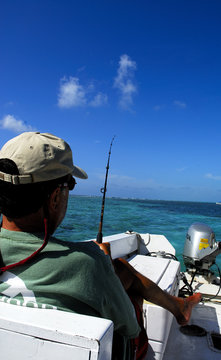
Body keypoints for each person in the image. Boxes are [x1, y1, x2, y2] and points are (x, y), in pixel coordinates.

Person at [0, 132, 201, 360]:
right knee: (123, 283)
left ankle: (179, 306)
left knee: (119, 269)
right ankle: (180, 307)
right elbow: (130, 329)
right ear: (55, 196)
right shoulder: (88, 264)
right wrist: (101, 263)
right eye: (70, 185)